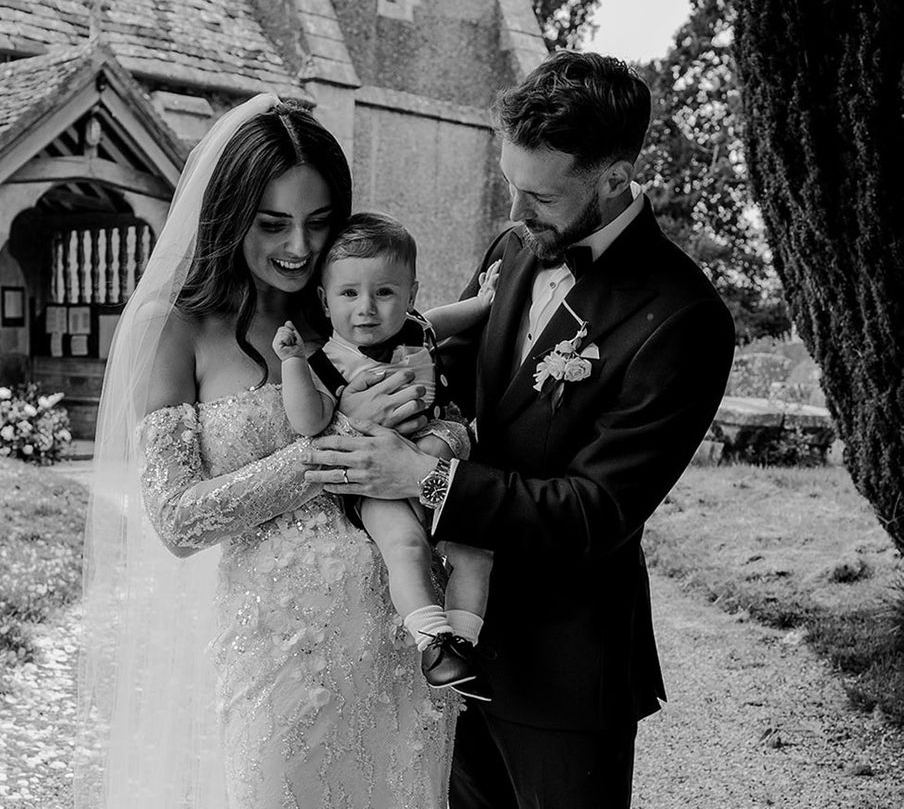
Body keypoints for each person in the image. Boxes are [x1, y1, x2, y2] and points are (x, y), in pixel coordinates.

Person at [304, 51, 737, 808]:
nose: (517, 208)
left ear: (614, 177)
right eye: (511, 182)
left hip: (564, 672)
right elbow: (453, 371)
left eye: (539, 193)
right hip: (457, 649)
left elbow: (594, 512)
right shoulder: (515, 248)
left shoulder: (683, 317)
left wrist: (424, 479)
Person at [74, 95, 457, 809]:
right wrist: (329, 446)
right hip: (277, 651)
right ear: (230, 213)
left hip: (393, 635)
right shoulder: (177, 328)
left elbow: (432, 364)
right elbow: (177, 520)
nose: (300, 248)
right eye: (273, 223)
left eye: (320, 224)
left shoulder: (347, 308)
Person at [272, 211, 498, 697]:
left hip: (436, 464)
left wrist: (485, 302)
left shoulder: (418, 329)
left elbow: (448, 318)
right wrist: (291, 363)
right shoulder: (327, 362)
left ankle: (465, 644)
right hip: (373, 479)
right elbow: (310, 422)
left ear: (411, 294)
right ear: (324, 299)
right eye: (349, 294)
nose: (367, 309)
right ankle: (432, 643)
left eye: (385, 293)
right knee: (406, 548)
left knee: (475, 550)